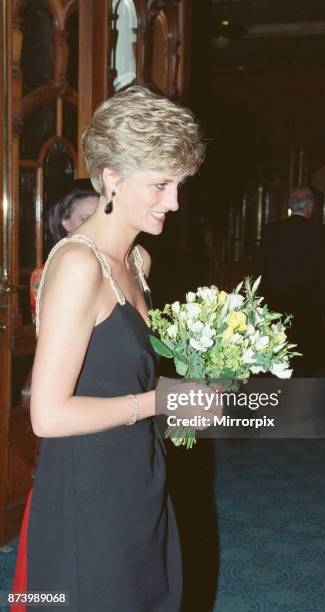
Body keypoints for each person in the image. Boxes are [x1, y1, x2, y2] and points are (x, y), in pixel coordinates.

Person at [12, 85, 219, 611]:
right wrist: (161, 401)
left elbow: (128, 370)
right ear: (111, 179)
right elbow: (47, 415)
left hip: (140, 466)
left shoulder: (138, 261)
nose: (174, 202)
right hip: (90, 486)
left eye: (180, 184)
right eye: (161, 185)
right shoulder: (77, 266)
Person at [256, 186, 325, 375]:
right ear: (310, 207)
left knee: (274, 356)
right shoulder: (320, 234)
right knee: (304, 359)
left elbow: (260, 270)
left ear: (290, 206)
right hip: (308, 308)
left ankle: (274, 398)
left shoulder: (271, 231)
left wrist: (256, 304)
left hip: (274, 305)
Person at [30, 187, 99, 321]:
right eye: (86, 219)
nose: (96, 226)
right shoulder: (44, 274)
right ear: (65, 223)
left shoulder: (117, 263)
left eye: (100, 219)